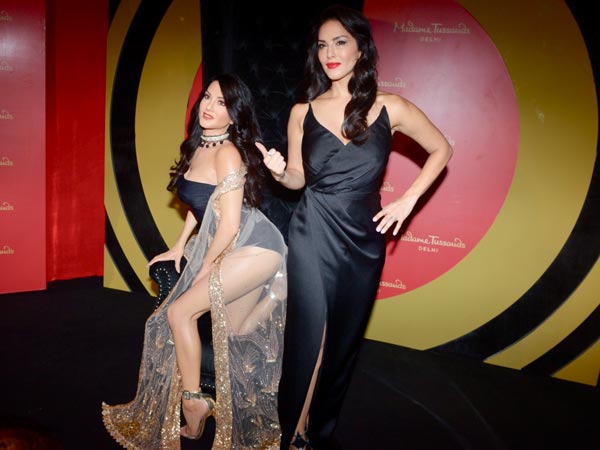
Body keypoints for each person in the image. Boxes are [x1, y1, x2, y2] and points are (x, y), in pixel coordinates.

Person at [256, 4, 453, 449]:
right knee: (311, 331)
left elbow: (441, 149)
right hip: (312, 229)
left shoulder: (390, 106)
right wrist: (279, 171)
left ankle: (317, 427)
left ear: (361, 49)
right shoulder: (301, 112)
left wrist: (408, 199)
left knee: (341, 341)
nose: (330, 53)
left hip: (363, 240)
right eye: (322, 45)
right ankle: (293, 433)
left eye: (340, 42)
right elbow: (298, 180)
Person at [102, 73, 288, 450]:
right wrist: (178, 246)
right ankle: (276, 294)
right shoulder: (198, 144)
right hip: (227, 245)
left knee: (178, 313)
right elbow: (201, 204)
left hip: (254, 248)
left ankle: (194, 403)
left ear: (234, 115)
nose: (209, 106)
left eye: (222, 103)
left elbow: (230, 224)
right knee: (236, 331)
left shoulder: (228, 153)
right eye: (207, 97)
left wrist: (204, 269)